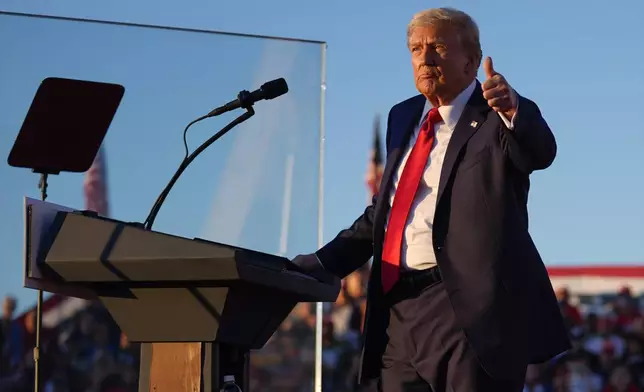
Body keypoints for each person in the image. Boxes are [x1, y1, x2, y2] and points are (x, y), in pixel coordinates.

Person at [291, 7, 571, 392]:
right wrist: (322, 262)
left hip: (467, 312)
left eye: (438, 46)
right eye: (416, 48)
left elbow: (540, 151)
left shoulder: (495, 113)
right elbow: (385, 213)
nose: (425, 57)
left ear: (471, 60)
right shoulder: (403, 116)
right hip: (398, 313)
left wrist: (513, 109)